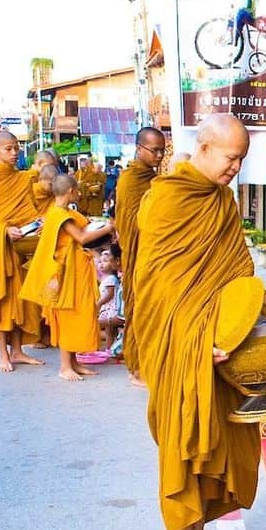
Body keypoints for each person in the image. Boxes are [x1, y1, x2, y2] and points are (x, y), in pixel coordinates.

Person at [135, 113, 266, 530]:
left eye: (242, 159)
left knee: (216, 433)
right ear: (203, 148)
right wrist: (199, 341)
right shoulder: (167, 199)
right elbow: (163, 286)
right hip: (181, 341)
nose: (236, 168)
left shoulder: (221, 200)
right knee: (184, 436)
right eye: (230, 157)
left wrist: (259, 298)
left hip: (217, 339)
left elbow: (236, 263)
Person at [21, 173, 115, 381]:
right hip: (66, 275)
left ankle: (74, 362)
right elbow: (81, 237)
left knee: (79, 313)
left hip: (77, 271)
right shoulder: (59, 216)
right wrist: (108, 227)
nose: (80, 194)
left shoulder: (61, 212)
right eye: (77, 190)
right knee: (68, 316)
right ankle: (65, 366)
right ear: (71, 191)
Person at [0, 128, 44, 372]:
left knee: (22, 298)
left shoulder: (23, 179)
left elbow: (31, 210)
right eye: (8, 149)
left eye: (16, 148)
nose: (14, 153)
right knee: (3, 298)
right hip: (0, 246)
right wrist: (4, 229)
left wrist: (36, 224)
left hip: (21, 245)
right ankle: (3, 354)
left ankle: (18, 351)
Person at [113, 127, 166, 382]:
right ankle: (137, 367)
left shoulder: (154, 180)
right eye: (154, 150)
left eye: (162, 151)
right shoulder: (130, 179)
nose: (158, 156)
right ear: (139, 148)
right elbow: (129, 222)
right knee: (139, 308)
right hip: (138, 253)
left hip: (155, 254)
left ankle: (151, 364)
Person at [96, 248, 123, 352]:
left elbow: (110, 294)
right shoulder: (104, 278)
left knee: (109, 331)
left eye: (106, 261)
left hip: (111, 308)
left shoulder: (111, 278)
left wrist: (99, 303)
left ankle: (109, 348)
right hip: (107, 308)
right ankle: (110, 348)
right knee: (109, 331)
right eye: (100, 261)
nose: (101, 264)